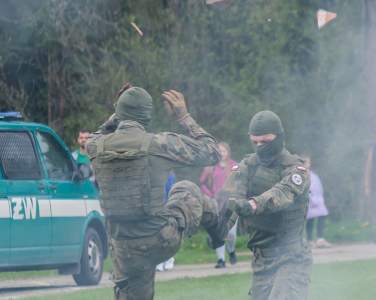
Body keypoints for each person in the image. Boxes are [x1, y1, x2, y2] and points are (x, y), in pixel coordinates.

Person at [86, 85, 221, 300]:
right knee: (185, 188)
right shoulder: (160, 144)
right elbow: (212, 152)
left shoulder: (95, 146)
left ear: (119, 113)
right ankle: (217, 228)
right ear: (146, 117)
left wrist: (117, 112)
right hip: (158, 238)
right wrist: (183, 116)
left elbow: (98, 133)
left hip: (124, 249)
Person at [221, 110, 312, 300]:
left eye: (265, 141)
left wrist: (254, 204)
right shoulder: (247, 166)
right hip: (261, 260)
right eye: (255, 142)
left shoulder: (296, 169)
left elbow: (282, 193)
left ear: (279, 137)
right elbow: (233, 198)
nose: (260, 146)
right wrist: (220, 228)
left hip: (291, 258)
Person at [200, 142, 238, 268]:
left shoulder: (234, 166)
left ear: (228, 152)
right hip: (216, 204)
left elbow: (241, 182)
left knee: (231, 233)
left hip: (231, 204)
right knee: (218, 232)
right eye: (219, 151)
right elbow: (202, 183)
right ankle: (221, 260)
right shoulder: (210, 167)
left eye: (224, 151)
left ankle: (231, 251)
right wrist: (210, 195)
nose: (222, 153)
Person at [304, 156, 331, 248]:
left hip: (318, 202)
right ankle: (309, 240)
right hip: (308, 202)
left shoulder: (314, 176)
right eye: (304, 162)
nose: (306, 164)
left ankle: (320, 239)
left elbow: (319, 188)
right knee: (310, 220)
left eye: (307, 162)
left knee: (321, 217)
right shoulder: (300, 176)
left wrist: (320, 199)